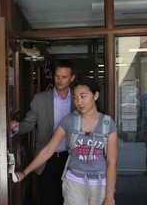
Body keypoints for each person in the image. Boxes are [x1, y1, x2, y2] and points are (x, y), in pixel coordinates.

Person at [15, 77, 118, 205]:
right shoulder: (69, 121)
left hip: (101, 184)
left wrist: (109, 197)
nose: (78, 102)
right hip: (74, 184)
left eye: (83, 96)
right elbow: (48, 150)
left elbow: (111, 162)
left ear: (95, 95)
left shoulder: (108, 124)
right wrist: (25, 173)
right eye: (75, 97)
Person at [10, 60, 76, 205]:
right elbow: (28, 124)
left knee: (70, 199)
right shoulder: (40, 99)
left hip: (72, 158)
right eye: (57, 76)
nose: (59, 80)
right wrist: (16, 128)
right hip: (46, 160)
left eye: (64, 77)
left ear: (72, 78)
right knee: (49, 200)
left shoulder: (79, 99)